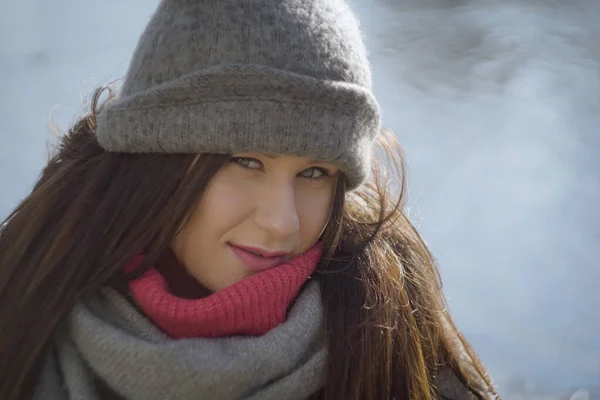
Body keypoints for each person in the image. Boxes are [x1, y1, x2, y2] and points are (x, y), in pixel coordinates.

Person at [0, 0, 501, 399]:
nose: (281, 222)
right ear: (156, 162)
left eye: (314, 172)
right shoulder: (27, 301)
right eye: (246, 161)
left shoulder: (394, 342)